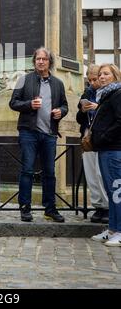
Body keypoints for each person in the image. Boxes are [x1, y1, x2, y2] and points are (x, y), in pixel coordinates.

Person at [9, 47, 68, 222]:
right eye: (38, 59)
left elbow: (65, 105)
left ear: (50, 62)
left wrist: (61, 112)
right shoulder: (23, 80)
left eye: (44, 59)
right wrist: (29, 104)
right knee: (27, 170)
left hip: (49, 133)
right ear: (34, 61)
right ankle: (25, 208)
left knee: (49, 172)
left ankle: (50, 208)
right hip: (29, 132)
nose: (41, 62)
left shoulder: (58, 83)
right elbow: (13, 103)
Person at [90, 64, 121, 247]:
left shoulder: (117, 94)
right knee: (111, 191)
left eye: (106, 74)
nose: (102, 77)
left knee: (117, 191)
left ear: (115, 76)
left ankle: (120, 231)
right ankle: (112, 229)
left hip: (114, 148)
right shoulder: (105, 94)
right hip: (105, 148)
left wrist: (103, 136)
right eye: (100, 74)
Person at [76, 65, 109, 223]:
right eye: (89, 80)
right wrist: (83, 110)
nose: (92, 82)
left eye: (94, 79)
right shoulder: (87, 93)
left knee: (103, 173)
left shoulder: (111, 93)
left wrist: (98, 108)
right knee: (91, 173)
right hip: (88, 137)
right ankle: (98, 206)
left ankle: (108, 207)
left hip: (104, 138)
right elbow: (79, 119)